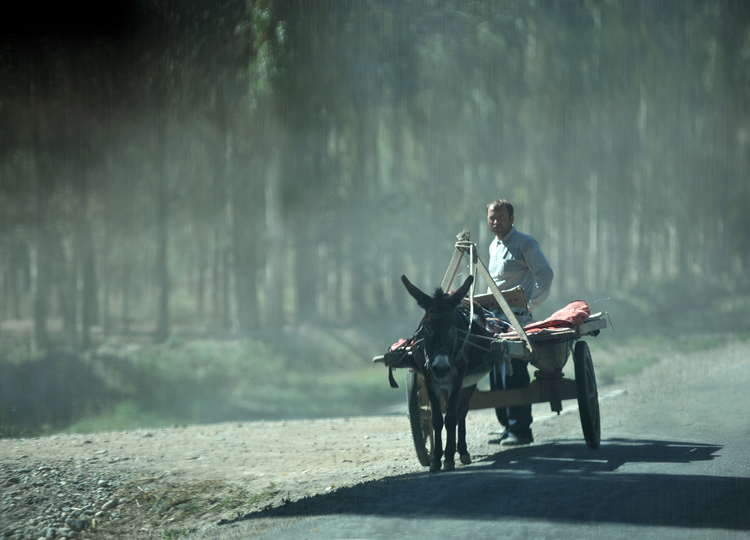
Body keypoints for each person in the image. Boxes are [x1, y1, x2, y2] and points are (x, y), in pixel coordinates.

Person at [486, 198, 553, 445]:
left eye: (501, 217)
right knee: (495, 372)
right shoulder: (493, 246)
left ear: (512, 219)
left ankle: (521, 430)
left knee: (512, 371)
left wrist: (531, 304)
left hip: (517, 319)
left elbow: (545, 273)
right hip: (493, 320)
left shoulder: (524, 243)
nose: (496, 222)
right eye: (492, 218)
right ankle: (507, 426)